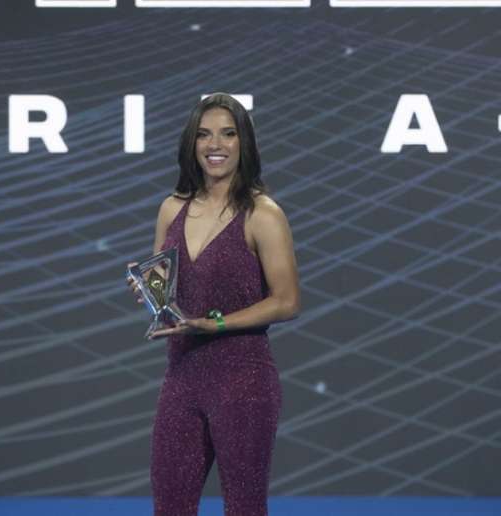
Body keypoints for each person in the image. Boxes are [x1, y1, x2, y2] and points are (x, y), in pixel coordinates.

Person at [126, 92, 301, 516]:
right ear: (192, 143)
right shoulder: (171, 209)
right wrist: (151, 292)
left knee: (243, 508)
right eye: (204, 135)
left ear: (245, 144)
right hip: (182, 379)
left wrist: (215, 324)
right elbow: (167, 293)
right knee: (170, 508)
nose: (215, 145)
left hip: (244, 381)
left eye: (227, 133)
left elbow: (287, 301)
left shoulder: (263, 214)